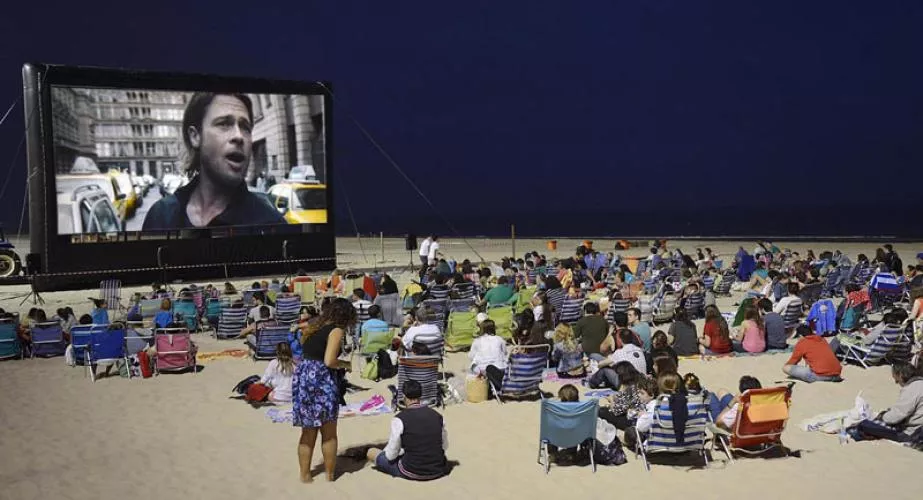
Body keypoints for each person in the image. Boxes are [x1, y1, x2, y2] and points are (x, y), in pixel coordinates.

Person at [142, 93, 286, 230]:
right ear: (195, 137)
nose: (239, 136)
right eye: (224, 124)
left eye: (245, 127)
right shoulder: (160, 216)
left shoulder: (271, 224)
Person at [293, 298, 356, 483]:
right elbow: (329, 361)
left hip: (305, 378)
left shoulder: (314, 325)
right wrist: (346, 364)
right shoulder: (336, 330)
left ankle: (305, 475)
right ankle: (329, 475)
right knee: (328, 432)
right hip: (321, 380)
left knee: (308, 431)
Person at [366, 380, 449, 480]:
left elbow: (391, 456)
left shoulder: (399, 419)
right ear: (420, 396)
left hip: (411, 470)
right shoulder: (438, 416)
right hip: (438, 469)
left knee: (371, 452)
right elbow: (444, 446)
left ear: (404, 396)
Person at [848, 363, 923, 443]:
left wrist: (882, 416)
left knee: (864, 425)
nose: (896, 382)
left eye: (896, 380)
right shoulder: (919, 384)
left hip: (911, 434)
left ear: (901, 375)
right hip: (918, 429)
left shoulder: (912, 389)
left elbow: (897, 416)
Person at [598, 362, 647, 430]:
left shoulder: (630, 390)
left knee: (602, 411)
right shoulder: (641, 379)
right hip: (642, 414)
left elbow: (616, 411)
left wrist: (611, 399)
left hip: (634, 422)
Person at [469, 320, 508, 386]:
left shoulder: (477, 341)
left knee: (473, 364)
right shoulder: (499, 339)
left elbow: (471, 356)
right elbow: (505, 353)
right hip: (501, 368)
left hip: (484, 370)